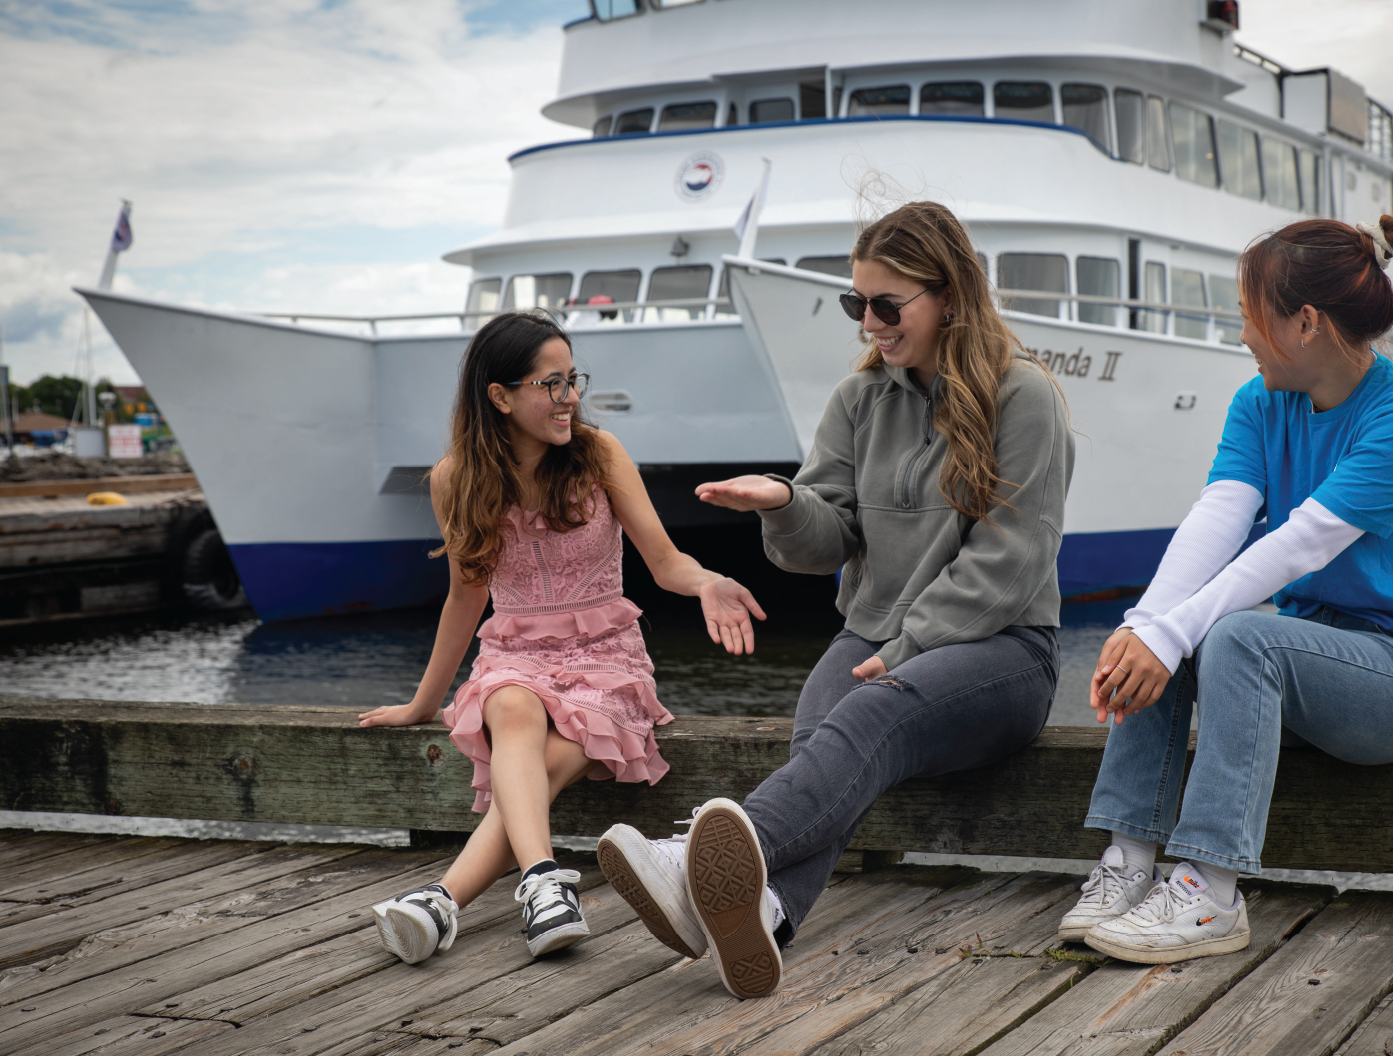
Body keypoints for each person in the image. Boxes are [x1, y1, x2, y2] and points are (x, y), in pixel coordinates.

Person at [594, 201, 1074, 999]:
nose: (869, 325)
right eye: (857, 304)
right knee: (823, 733)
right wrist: (781, 502)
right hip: (876, 636)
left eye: (887, 305)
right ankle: (770, 910)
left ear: (948, 295)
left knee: (866, 716)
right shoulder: (858, 402)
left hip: (1002, 652)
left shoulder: (1023, 396)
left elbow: (1010, 560)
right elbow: (823, 545)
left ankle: (685, 863)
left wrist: (913, 644)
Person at [1060, 214, 1393, 965]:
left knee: (1230, 631)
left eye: (1250, 317)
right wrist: (1146, 623)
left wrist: (1172, 628)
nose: (1243, 335)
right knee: (1176, 628)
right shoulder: (1260, 401)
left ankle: (1210, 893)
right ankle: (1128, 859)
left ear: (1306, 323)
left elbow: (1301, 543)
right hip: (1315, 663)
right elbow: (1216, 520)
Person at [357, 311, 765, 965]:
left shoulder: (598, 454)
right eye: (552, 382)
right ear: (501, 396)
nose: (570, 395)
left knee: (545, 756)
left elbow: (664, 562)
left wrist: (707, 581)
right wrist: (421, 703)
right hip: (513, 657)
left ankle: (442, 900)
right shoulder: (454, 477)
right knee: (513, 705)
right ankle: (541, 884)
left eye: (572, 378)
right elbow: (466, 596)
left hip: (606, 660)